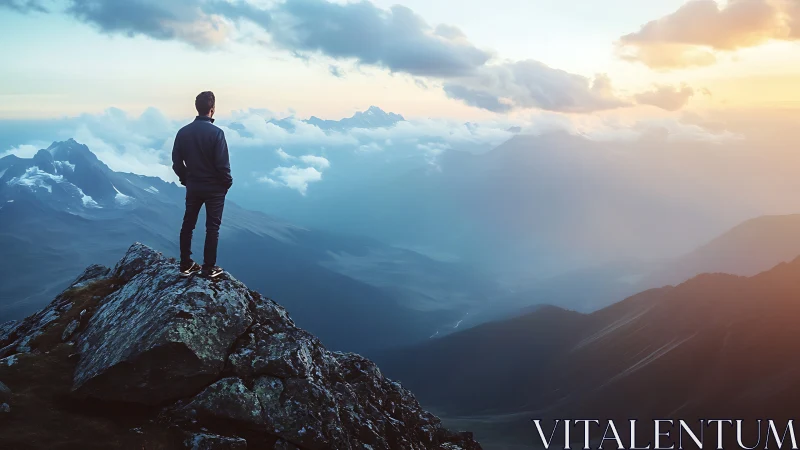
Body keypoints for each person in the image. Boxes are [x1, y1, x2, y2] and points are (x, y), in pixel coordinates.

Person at [172, 91, 233, 279]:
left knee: (188, 224)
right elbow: (222, 164)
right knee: (212, 228)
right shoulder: (217, 134)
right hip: (214, 188)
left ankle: (185, 264)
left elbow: (176, 162)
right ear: (212, 109)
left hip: (194, 186)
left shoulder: (183, 132)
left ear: (196, 108)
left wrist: (186, 179)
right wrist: (226, 184)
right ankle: (208, 268)